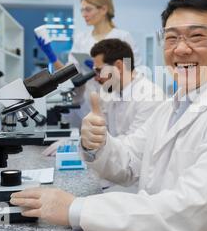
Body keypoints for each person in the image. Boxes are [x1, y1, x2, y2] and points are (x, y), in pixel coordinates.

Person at [11, 0, 207, 231]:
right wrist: (96, 145)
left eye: (196, 36)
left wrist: (75, 209)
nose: (181, 49)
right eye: (171, 38)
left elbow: (192, 211)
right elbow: (128, 163)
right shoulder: (171, 107)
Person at [43, 38, 164, 193]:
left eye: (99, 70)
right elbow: (103, 135)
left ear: (119, 66)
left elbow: (132, 150)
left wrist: (81, 148)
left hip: (136, 184)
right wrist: (77, 142)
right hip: (114, 172)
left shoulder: (150, 97)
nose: (96, 77)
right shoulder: (112, 93)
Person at [35, 0, 142, 126]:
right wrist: (51, 56)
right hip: (87, 103)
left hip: (116, 101)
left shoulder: (122, 37)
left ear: (103, 9)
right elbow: (69, 72)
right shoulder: (81, 39)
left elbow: (133, 72)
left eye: (88, 9)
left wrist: (105, 69)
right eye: (82, 10)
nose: (84, 14)